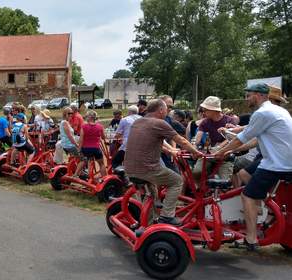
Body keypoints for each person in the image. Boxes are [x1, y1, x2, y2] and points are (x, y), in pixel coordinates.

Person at [214, 83, 292, 251]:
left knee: (247, 195)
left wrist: (221, 152)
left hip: (276, 163)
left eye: (249, 95)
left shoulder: (262, 113)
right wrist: (230, 147)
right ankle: (258, 212)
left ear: (258, 95)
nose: (247, 99)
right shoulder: (278, 111)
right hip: (279, 160)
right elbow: (250, 135)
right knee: (245, 176)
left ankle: (251, 239)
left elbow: (242, 138)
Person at [125, 99, 202, 226]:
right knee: (177, 181)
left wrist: (170, 151)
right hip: (147, 169)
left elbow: (152, 143)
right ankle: (167, 216)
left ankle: (147, 223)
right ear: (161, 110)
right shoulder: (159, 123)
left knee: (152, 192)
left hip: (130, 168)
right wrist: (196, 152)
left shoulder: (138, 122)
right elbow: (181, 141)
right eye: (167, 109)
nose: (168, 112)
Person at [192, 96, 238, 183]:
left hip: (225, 155)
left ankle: (220, 193)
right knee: (196, 172)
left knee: (224, 182)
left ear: (214, 110)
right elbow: (197, 138)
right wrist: (193, 147)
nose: (204, 112)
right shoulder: (205, 122)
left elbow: (232, 138)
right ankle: (202, 189)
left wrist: (219, 147)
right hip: (210, 154)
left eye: (206, 110)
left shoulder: (229, 120)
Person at [77, 110, 107, 179]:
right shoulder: (100, 126)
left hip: (86, 149)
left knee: (84, 161)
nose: (85, 118)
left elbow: (81, 139)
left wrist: (79, 149)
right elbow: (103, 137)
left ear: (89, 117)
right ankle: (104, 179)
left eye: (86, 117)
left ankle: (76, 175)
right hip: (96, 149)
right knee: (101, 164)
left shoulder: (84, 126)